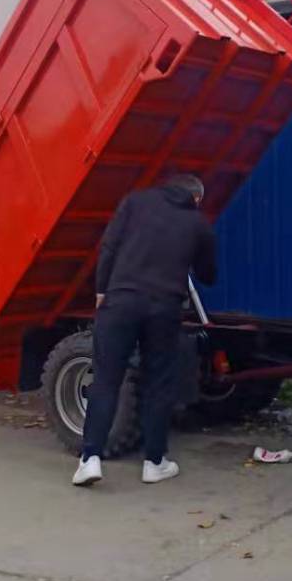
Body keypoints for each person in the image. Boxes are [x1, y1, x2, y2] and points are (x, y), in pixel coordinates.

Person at [72, 174, 217, 486]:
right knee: (158, 382)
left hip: (120, 301)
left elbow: (109, 245)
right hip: (163, 308)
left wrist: (101, 289)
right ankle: (154, 462)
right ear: (195, 198)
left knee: (107, 379)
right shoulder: (197, 222)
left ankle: (90, 459)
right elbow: (208, 274)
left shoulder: (135, 201)